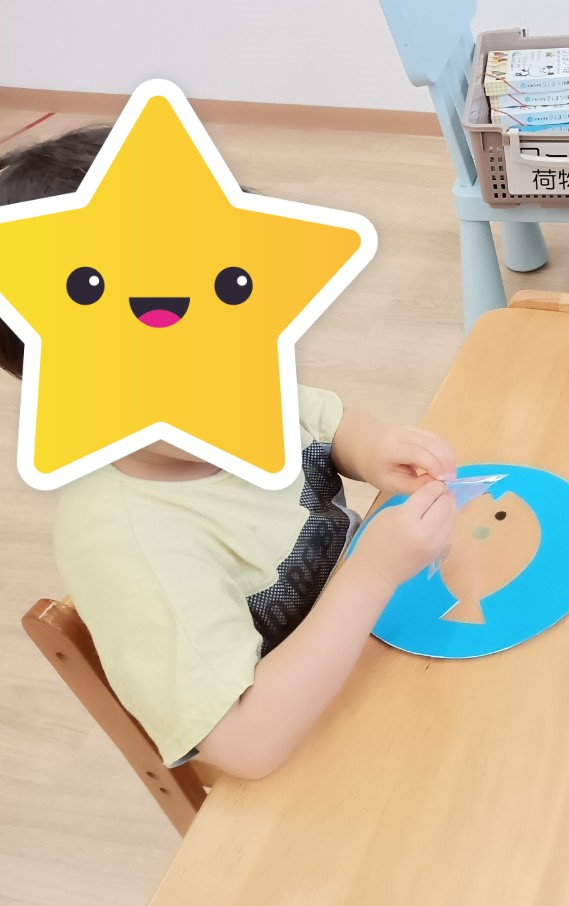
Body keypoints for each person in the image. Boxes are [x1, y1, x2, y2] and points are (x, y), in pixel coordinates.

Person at [0, 128, 457, 780]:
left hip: (383, 647)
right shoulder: (129, 547)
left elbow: (327, 421)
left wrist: (374, 446)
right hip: (313, 750)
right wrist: (374, 574)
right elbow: (244, 746)